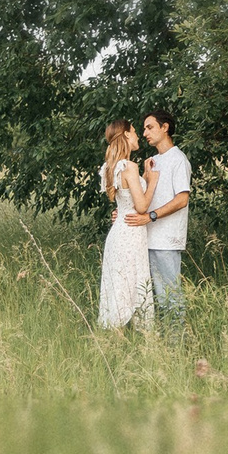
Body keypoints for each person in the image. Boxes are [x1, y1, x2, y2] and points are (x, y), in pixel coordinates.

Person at [125, 107, 190, 327]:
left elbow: (182, 199)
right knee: (151, 298)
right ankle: (158, 345)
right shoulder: (151, 161)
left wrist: (151, 216)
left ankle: (176, 345)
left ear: (165, 127)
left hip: (166, 240)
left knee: (170, 297)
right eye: (143, 129)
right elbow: (143, 198)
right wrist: (124, 212)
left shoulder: (178, 159)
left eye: (150, 127)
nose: (145, 133)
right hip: (146, 237)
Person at [95, 119, 156, 329]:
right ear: (127, 135)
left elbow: (122, 202)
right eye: (135, 132)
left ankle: (117, 335)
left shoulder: (110, 167)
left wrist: (144, 178)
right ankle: (134, 333)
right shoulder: (129, 166)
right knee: (132, 281)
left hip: (119, 231)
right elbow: (141, 206)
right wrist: (152, 180)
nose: (138, 136)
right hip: (130, 233)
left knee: (120, 283)